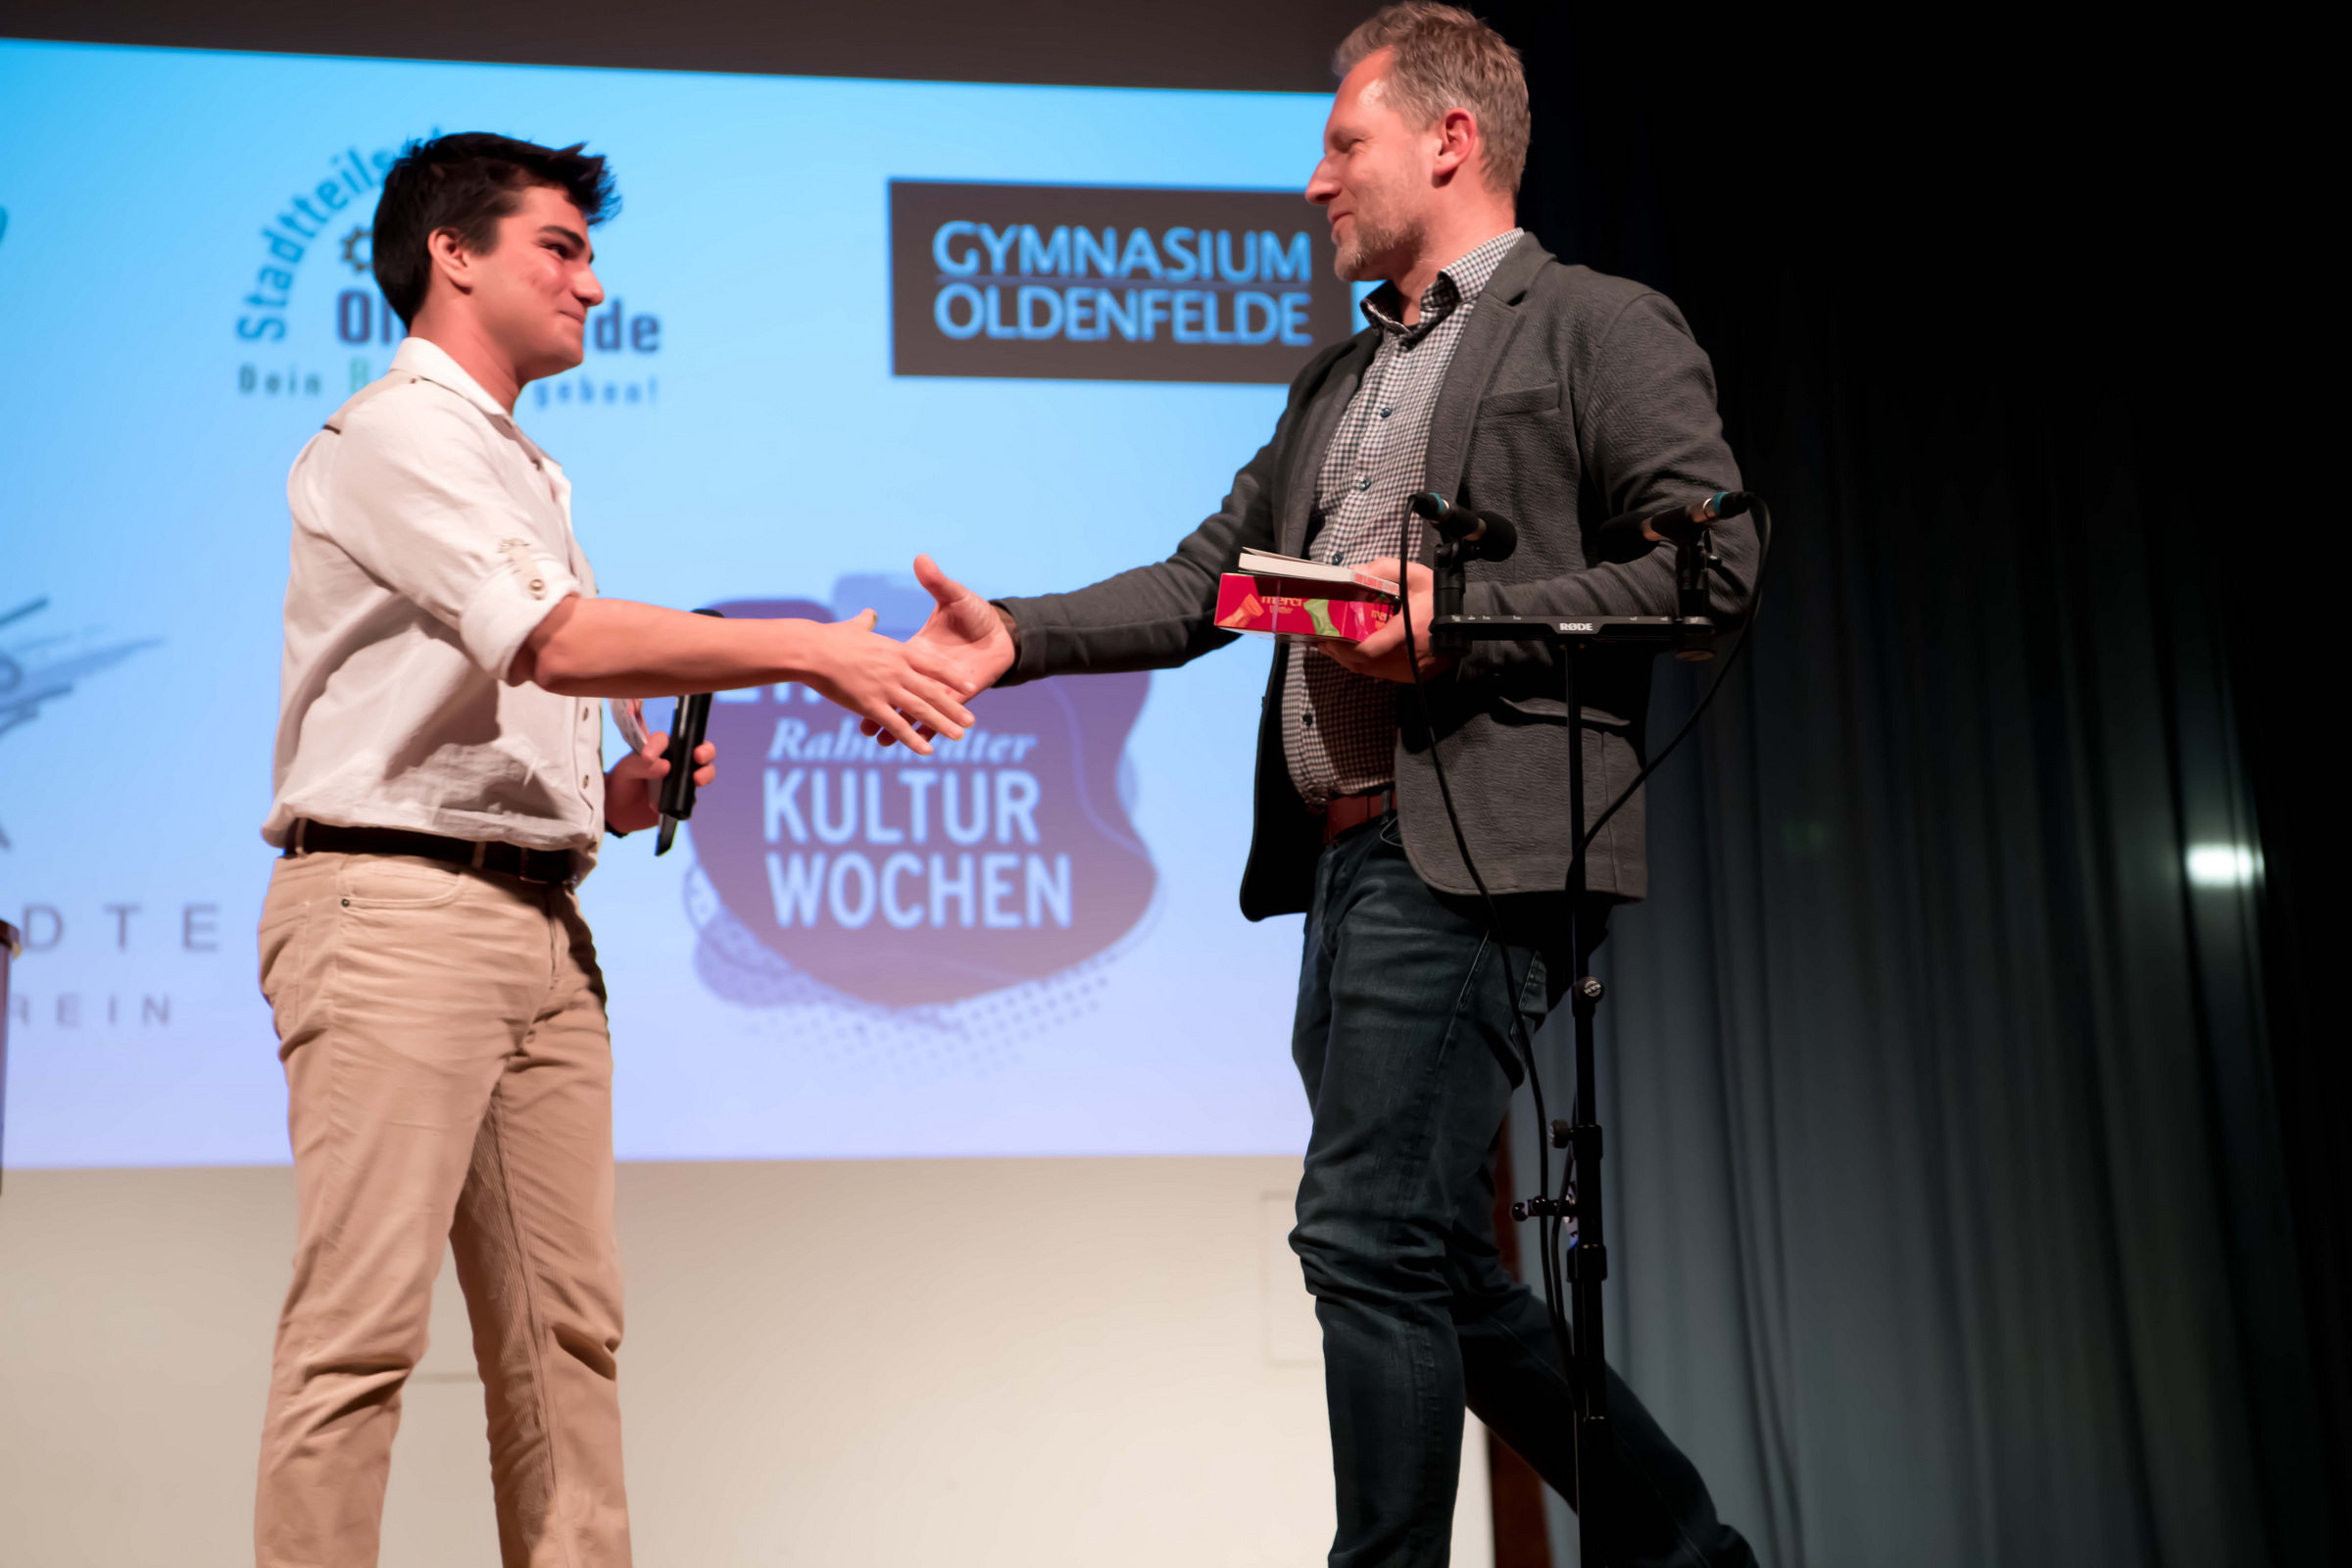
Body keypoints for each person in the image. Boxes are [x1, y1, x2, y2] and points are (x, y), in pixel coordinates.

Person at [893, 7, 1761, 1565]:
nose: (1314, 180)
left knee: (1362, 1232)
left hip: (1480, 852)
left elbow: (1713, 576)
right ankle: (1690, 1551)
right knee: (1426, 1252)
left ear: (1451, 140)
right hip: (1348, 867)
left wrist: (1464, 619)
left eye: (1343, 142)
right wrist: (1013, 638)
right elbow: (1205, 583)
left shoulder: (1596, 325)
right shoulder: (1335, 380)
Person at [254, 132, 974, 1568]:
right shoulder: (398, 433)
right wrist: (809, 650)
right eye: (562, 249)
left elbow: (499, 696)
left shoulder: (518, 464)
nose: (592, 284)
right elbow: (558, 642)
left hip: (535, 920)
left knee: (566, 1337)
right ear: (453, 255)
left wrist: (619, 795)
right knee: (359, 1339)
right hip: (396, 910)